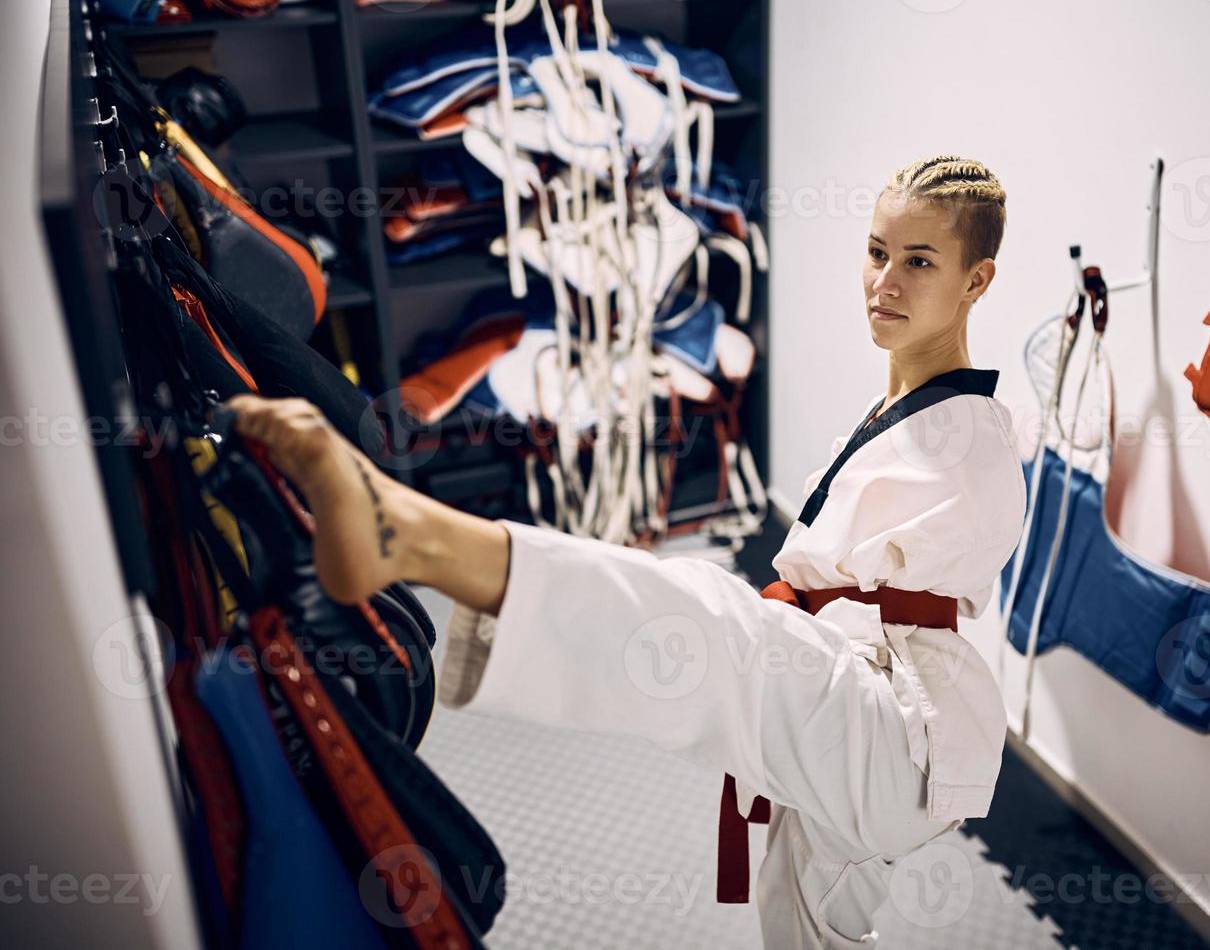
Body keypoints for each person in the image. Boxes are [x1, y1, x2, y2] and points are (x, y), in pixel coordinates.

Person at [226, 154, 1026, 949]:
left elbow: (908, 587)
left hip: (900, 731)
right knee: (808, 925)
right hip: (859, 707)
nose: (885, 280)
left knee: (704, 621)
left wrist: (793, 627)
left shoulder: (972, 433)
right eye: (878, 251)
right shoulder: (902, 407)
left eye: (919, 262)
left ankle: (411, 533)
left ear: (976, 281)